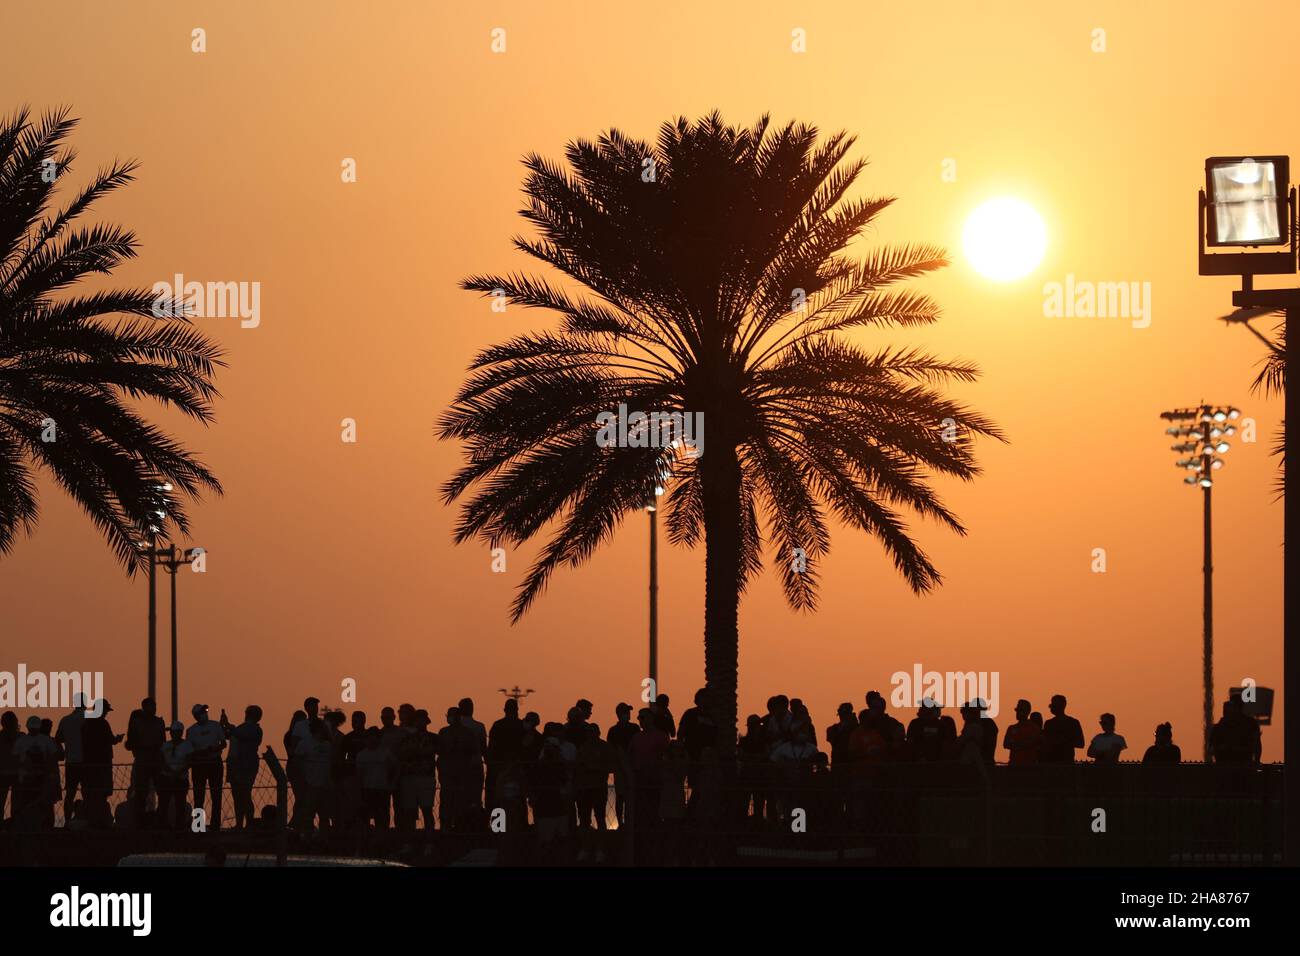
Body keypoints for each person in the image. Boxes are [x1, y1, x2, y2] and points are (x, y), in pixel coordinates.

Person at [13, 715, 59, 829]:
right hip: (31, 777)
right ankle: (37, 826)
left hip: (36, 777)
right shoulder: (45, 740)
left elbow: (15, 757)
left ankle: (40, 826)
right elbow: (53, 756)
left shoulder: (22, 741)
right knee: (34, 802)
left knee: (39, 802)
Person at [125, 697, 166, 824]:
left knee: (161, 791)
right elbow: (130, 742)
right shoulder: (137, 723)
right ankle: (140, 821)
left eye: (154, 706)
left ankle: (160, 819)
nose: (153, 709)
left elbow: (162, 742)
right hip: (143, 761)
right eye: (151, 706)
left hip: (154, 761)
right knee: (141, 792)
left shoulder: (159, 722)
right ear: (144, 708)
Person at [187, 704, 227, 829]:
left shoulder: (216, 726)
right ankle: (198, 825)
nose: (205, 713)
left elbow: (223, 743)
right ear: (196, 716)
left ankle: (215, 825)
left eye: (205, 711)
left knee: (216, 795)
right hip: (199, 764)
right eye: (201, 712)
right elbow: (189, 750)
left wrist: (214, 749)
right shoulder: (191, 731)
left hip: (214, 762)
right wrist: (201, 752)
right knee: (199, 796)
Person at [397, 710, 438, 834]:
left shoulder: (433, 737)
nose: (420, 722)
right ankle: (410, 842)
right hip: (409, 778)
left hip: (426, 778)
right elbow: (403, 754)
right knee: (409, 812)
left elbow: (432, 751)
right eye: (418, 720)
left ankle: (429, 842)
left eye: (422, 720)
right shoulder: (406, 738)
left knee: (427, 810)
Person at [80, 699, 119, 828]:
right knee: (102, 793)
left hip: (88, 763)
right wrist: (118, 739)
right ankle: (100, 819)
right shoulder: (103, 724)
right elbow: (111, 740)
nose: (106, 713)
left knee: (90, 793)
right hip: (102, 764)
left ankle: (90, 819)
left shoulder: (86, 723)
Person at [628, 708, 669, 829]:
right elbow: (629, 755)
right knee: (641, 811)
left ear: (651, 719)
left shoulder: (661, 736)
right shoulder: (636, 737)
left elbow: (667, 756)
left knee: (654, 809)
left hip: (654, 779)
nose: (640, 720)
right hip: (639, 779)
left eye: (642, 718)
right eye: (639, 718)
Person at [226, 705, 264, 829]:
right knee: (237, 796)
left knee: (245, 795)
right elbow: (231, 734)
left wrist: (229, 726)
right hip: (235, 765)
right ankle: (239, 824)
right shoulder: (241, 728)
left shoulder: (255, 730)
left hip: (246, 766)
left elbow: (239, 734)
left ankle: (249, 824)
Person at [605, 703, 639, 825]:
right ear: (619, 714)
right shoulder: (613, 730)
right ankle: (620, 822)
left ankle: (632, 821)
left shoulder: (634, 728)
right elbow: (610, 748)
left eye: (628, 712)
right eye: (625, 712)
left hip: (634, 766)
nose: (628, 714)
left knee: (633, 795)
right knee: (620, 796)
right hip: (619, 767)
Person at [55, 694, 87, 824]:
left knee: (70, 794)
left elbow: (58, 738)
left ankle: (67, 821)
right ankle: (86, 819)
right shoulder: (88, 719)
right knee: (88, 793)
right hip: (86, 762)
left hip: (71, 761)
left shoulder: (65, 720)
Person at [356, 728, 395, 831]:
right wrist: (359, 791)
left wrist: (391, 784)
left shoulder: (386, 753)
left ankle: (382, 841)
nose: (372, 740)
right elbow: (359, 775)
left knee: (382, 818)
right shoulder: (361, 755)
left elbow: (394, 768)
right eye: (369, 737)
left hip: (382, 789)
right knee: (365, 817)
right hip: (366, 789)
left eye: (374, 737)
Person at [158, 721, 192, 829]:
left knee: (180, 804)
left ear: (180, 732)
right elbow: (161, 761)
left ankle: (179, 826)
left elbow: (189, 761)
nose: (173, 734)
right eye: (172, 732)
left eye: (175, 732)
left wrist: (177, 773)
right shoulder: (165, 745)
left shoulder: (187, 745)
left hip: (180, 778)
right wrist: (170, 772)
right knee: (163, 803)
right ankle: (163, 826)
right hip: (166, 778)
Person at [1210, 697, 1262, 765]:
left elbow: (1256, 745)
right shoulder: (1251, 723)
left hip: (1239, 763)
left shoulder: (1250, 724)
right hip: (1231, 764)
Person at [906, 698, 957, 762]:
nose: (939, 711)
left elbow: (946, 742)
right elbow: (911, 742)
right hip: (920, 761)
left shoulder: (940, 724)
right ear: (929, 710)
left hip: (937, 760)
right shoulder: (916, 724)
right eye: (937, 709)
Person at [1040, 695, 1084, 763]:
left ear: (1062, 705)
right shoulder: (1049, 723)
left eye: (1054, 704)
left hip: (1066, 763)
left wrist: (1063, 742)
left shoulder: (1073, 723)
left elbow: (1081, 743)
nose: (1051, 706)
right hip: (1051, 762)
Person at [1002, 699, 1042, 765]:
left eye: (1021, 711)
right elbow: (1006, 744)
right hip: (1014, 765)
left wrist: (1016, 743)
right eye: (1017, 711)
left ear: (1027, 712)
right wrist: (1024, 743)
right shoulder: (1012, 728)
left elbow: (1034, 743)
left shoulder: (1034, 728)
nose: (1017, 713)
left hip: (1029, 766)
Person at [826, 702, 859, 768]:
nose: (843, 717)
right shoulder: (833, 729)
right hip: (838, 762)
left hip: (852, 762)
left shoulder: (856, 728)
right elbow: (831, 739)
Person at [0, 711, 19, 823]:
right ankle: (15, 826)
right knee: (17, 803)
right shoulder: (20, 737)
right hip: (17, 774)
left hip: (3, 773)